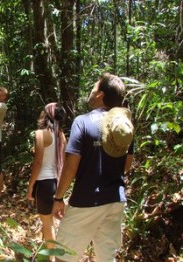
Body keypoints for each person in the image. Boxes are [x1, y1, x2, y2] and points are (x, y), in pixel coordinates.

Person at [52, 73, 135, 262]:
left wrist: (59, 197)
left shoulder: (82, 121)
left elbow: (71, 165)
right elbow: (127, 165)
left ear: (100, 95)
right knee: (106, 258)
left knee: (64, 257)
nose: (91, 91)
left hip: (85, 200)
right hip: (115, 199)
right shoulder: (124, 124)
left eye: (94, 88)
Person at [27, 103, 67, 256]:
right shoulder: (61, 135)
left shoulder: (40, 134)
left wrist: (31, 186)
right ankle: (52, 255)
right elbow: (63, 162)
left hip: (43, 183)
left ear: (46, 114)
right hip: (56, 183)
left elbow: (37, 162)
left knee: (47, 224)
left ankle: (52, 258)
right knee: (51, 223)